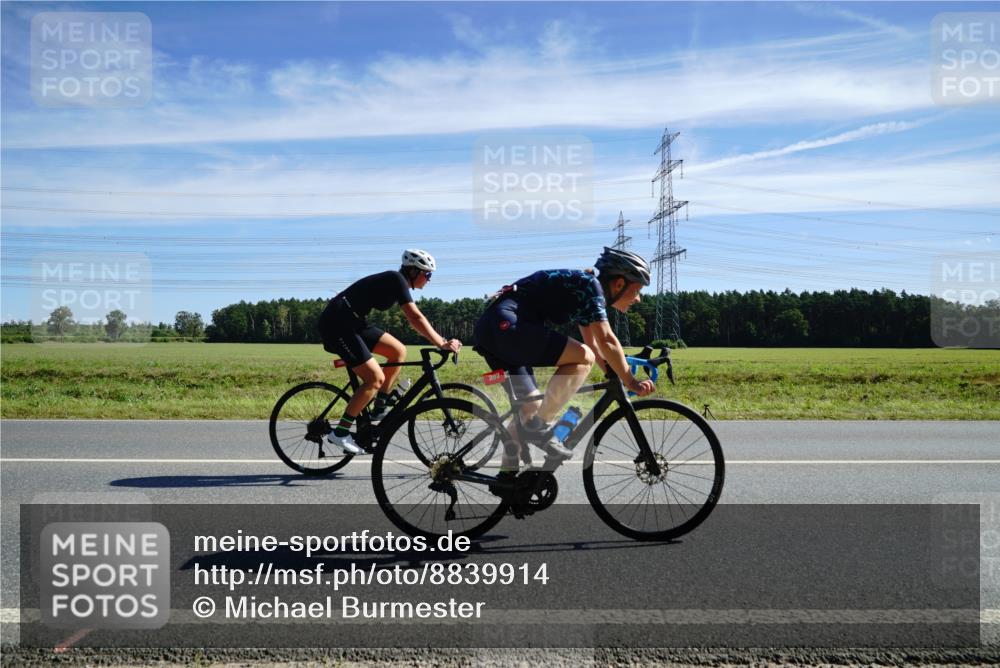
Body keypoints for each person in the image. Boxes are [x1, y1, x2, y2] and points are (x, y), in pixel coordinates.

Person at [473, 247, 656, 474]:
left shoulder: (585, 291)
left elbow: (595, 345)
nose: (638, 298)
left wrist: (613, 373)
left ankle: (507, 480)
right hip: (508, 326)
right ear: (619, 284)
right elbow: (606, 340)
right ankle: (540, 429)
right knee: (580, 360)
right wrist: (631, 381)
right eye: (637, 290)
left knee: (529, 408)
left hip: (496, 329)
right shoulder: (592, 288)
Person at [318, 249, 461, 454]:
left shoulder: (397, 283)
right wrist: (441, 342)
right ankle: (340, 432)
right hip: (337, 324)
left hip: (354, 322)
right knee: (374, 378)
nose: (429, 279)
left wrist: (441, 341)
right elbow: (415, 318)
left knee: (398, 351)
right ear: (413, 272)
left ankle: (379, 407)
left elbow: (413, 318)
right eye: (427, 274)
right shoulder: (396, 279)